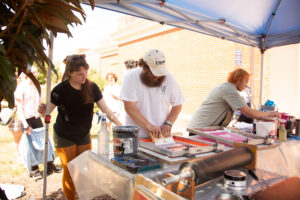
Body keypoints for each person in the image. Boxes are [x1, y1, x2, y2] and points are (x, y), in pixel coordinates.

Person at [39, 54, 122, 200]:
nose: (84, 77)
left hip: (83, 134)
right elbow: (46, 113)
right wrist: (41, 109)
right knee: (70, 171)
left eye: (85, 73)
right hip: (64, 136)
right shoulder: (60, 90)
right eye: (80, 74)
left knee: (84, 170)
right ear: (70, 73)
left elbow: (106, 110)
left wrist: (121, 125)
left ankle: (84, 197)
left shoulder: (92, 87)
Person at [120, 49, 185, 138]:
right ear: (144, 67)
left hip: (160, 138)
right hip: (135, 136)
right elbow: (130, 107)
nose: (157, 76)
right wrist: (149, 126)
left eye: (160, 73)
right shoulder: (130, 77)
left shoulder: (169, 78)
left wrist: (168, 123)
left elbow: (177, 105)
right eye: (154, 73)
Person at [188, 68, 280, 129]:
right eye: (245, 81)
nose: (246, 85)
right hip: (199, 128)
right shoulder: (228, 89)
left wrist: (264, 117)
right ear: (238, 80)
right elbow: (247, 111)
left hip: (203, 128)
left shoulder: (230, 89)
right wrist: (270, 114)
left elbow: (247, 110)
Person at [15, 66, 60, 178]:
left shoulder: (36, 86)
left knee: (45, 141)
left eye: (36, 72)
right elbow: (19, 108)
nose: (36, 74)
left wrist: (44, 113)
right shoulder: (21, 88)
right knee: (30, 146)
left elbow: (39, 104)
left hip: (36, 118)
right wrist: (25, 125)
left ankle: (50, 166)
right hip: (26, 119)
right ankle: (34, 170)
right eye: (33, 72)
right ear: (26, 73)